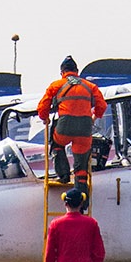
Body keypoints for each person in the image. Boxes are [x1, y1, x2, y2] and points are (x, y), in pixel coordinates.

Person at [36, 57, 107, 191]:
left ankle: (63, 175)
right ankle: (82, 201)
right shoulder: (90, 86)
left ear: (62, 72)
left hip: (64, 128)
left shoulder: (56, 85)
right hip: (85, 130)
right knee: (81, 167)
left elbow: (42, 107)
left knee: (57, 144)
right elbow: (102, 105)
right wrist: (94, 117)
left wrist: (45, 118)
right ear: (77, 71)